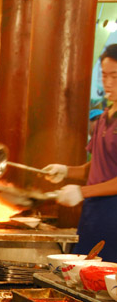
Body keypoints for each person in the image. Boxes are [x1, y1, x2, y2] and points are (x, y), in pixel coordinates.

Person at [43, 44, 117, 263]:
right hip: (92, 214)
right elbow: (95, 167)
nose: (108, 82)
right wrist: (66, 171)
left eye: (115, 76)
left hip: (113, 215)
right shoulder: (104, 116)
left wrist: (83, 192)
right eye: (104, 75)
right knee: (82, 277)